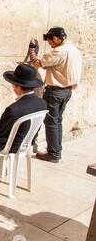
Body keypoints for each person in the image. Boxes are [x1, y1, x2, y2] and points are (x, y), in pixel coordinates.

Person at [30, 27, 82, 163]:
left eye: (51, 42)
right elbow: (55, 65)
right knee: (57, 121)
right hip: (67, 91)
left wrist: (32, 51)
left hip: (55, 91)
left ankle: (53, 153)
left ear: (56, 39)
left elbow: (37, 64)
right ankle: (56, 150)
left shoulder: (59, 51)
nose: (51, 45)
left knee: (51, 122)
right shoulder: (74, 50)